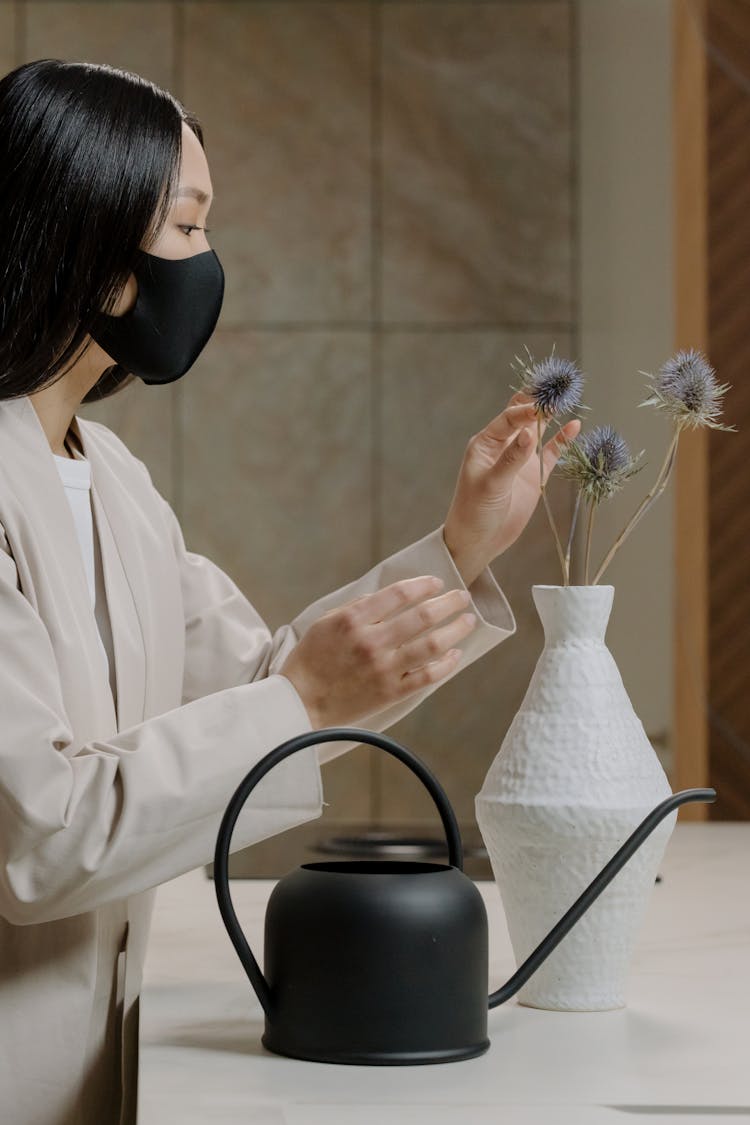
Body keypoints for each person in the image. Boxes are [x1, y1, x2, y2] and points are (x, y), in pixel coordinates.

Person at [0, 59, 580, 1125]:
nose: (205, 263)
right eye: (185, 227)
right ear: (87, 242)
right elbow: (41, 843)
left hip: (95, 1064)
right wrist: (303, 697)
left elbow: (265, 687)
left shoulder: (112, 477)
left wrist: (457, 551)